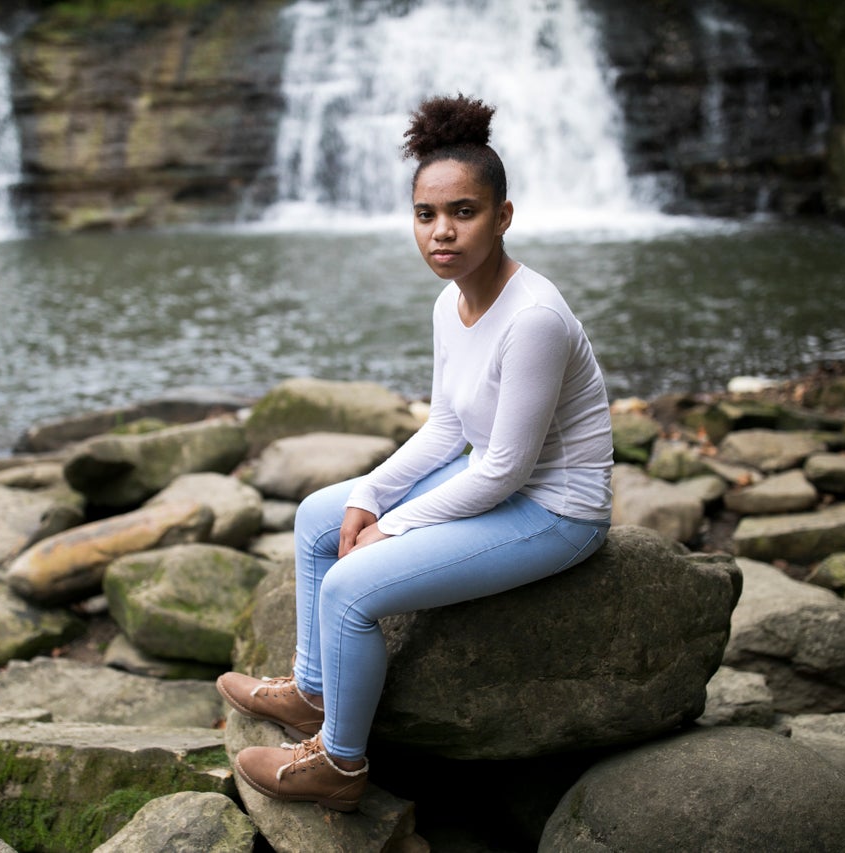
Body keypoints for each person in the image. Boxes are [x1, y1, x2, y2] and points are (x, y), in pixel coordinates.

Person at [216, 93, 614, 812]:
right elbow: (444, 429)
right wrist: (369, 494)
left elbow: (504, 469)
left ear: (503, 216)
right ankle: (312, 691)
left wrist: (392, 528)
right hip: (491, 476)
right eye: (426, 215)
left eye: (463, 212)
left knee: (350, 585)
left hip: (556, 509)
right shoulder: (451, 299)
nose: (442, 232)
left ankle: (339, 763)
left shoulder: (534, 319)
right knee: (317, 516)